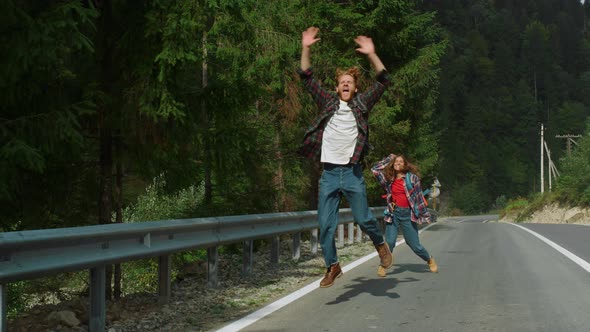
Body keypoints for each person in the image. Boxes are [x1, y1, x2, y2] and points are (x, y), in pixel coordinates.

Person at [298, 26, 392, 288]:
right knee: (325, 226)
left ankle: (380, 244)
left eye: (350, 82)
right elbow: (306, 76)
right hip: (328, 174)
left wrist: (372, 54)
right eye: (342, 83)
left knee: (363, 219)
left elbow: (384, 79)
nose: (346, 85)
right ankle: (333, 266)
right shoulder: (327, 103)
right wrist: (306, 47)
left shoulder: (362, 106)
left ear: (355, 87)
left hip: (351, 174)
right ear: (337, 88)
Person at [371, 153, 438, 277]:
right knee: (389, 242)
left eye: (401, 162)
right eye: (396, 161)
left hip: (408, 214)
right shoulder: (388, 178)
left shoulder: (412, 179)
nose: (398, 163)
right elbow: (375, 169)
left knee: (415, 245)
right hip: (393, 213)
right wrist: (389, 158)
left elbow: (418, 197)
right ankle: (383, 266)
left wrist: (425, 215)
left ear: (405, 165)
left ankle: (429, 259)